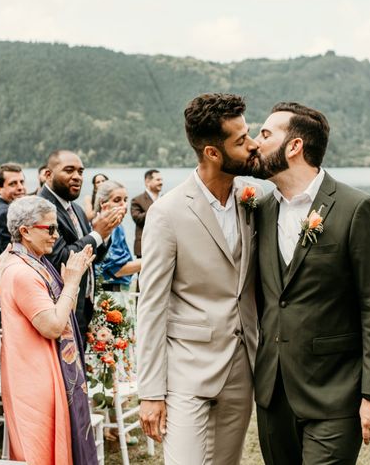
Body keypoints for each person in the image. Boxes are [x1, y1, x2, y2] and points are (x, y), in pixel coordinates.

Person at [251, 102, 370, 464]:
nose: (255, 142)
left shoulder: (356, 208)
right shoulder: (261, 212)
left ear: (295, 146)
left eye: (266, 134)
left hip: (335, 392)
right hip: (273, 392)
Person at [137, 94, 260, 465]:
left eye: (248, 134)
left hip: (242, 367)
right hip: (187, 370)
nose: (252, 144)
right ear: (212, 152)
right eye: (240, 141)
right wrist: (150, 392)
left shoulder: (253, 199)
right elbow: (152, 307)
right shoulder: (166, 213)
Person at [0, 196, 99, 465]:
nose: (57, 236)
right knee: (41, 451)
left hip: (42, 369)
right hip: (36, 377)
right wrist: (73, 282)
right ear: (25, 231)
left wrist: (70, 283)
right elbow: (53, 326)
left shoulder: (34, 262)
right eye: (50, 229)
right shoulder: (22, 272)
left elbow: (58, 314)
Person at [39, 151, 119, 337]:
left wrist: (105, 234)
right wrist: (97, 234)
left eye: (80, 172)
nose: (77, 177)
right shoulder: (42, 208)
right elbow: (59, 258)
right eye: (69, 170)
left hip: (83, 307)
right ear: (48, 174)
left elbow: (94, 258)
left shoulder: (77, 209)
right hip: (58, 308)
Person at [94, 180, 142, 292]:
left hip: (119, 290)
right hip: (109, 293)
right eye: (117, 200)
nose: (123, 205)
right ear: (103, 203)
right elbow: (117, 269)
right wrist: (155, 258)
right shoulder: (108, 228)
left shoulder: (118, 226)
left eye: (125, 200)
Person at [0, 163, 26, 262]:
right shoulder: (5, 213)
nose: (20, 187)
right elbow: (14, 254)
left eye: (22, 182)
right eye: (13, 183)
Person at [131, 169, 163, 258]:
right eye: (158, 180)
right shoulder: (137, 200)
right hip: (145, 247)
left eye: (161, 179)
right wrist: (156, 206)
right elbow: (138, 219)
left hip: (164, 247)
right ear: (147, 181)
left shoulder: (165, 198)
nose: (161, 182)